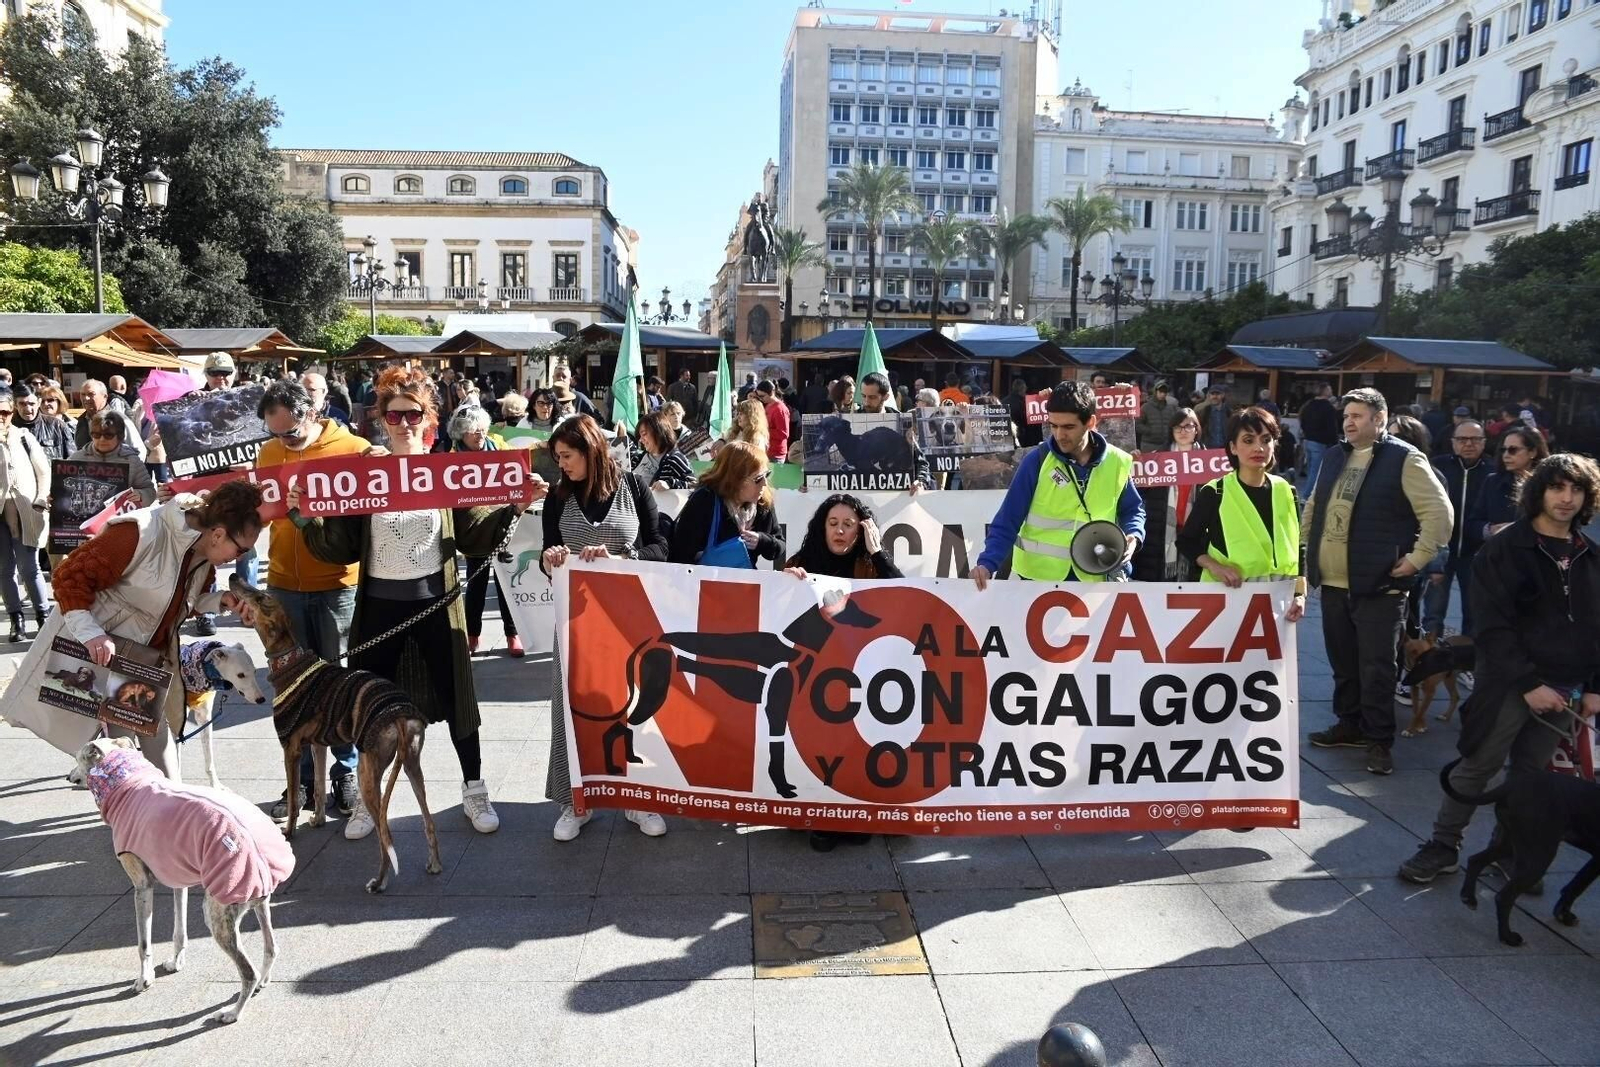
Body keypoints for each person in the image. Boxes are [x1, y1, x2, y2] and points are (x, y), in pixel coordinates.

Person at [288, 368, 535, 835]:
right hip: (379, 607)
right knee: (368, 705)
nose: (404, 423)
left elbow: (472, 534)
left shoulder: (442, 471)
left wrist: (515, 507)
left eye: (413, 414)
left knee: (458, 696)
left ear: (429, 419)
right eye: (395, 414)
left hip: (436, 605)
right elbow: (340, 546)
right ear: (381, 418)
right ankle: (367, 798)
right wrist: (305, 518)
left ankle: (475, 790)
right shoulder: (365, 473)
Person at [1399, 453, 1600, 885]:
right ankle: (1443, 844)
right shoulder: (1506, 549)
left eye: (1576, 489)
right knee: (1478, 764)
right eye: (1557, 487)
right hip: (1508, 682)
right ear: (1538, 492)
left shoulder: (1590, 554)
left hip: (1564, 687)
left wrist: (1595, 687)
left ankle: (1508, 851)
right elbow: (1491, 625)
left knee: (1530, 776)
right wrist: (1528, 684)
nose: (1566, 498)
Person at [2, 479, 263, 776]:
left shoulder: (203, 556)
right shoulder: (139, 532)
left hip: (140, 663)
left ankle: (158, 813)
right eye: (241, 550)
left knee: (157, 767)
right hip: (103, 658)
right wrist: (91, 634)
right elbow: (68, 578)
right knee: (118, 763)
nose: (241, 558)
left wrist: (220, 600)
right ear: (218, 534)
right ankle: (135, 817)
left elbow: (176, 604)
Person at [250, 379, 379, 827]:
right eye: (275, 433)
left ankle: (344, 771)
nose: (283, 440)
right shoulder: (267, 455)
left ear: (311, 411)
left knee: (336, 681)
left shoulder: (354, 447)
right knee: (293, 687)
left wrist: (385, 466)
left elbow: (389, 490)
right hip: (284, 583)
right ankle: (302, 778)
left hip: (338, 583)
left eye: (289, 430)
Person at [1303, 388, 1453, 776]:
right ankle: (1349, 724)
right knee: (1344, 663)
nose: (1349, 422)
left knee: (1377, 668)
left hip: (1379, 586)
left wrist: (1417, 559)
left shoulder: (1404, 458)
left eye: (1357, 415)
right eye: (1346, 416)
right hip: (1334, 583)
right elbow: (1316, 506)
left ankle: (1379, 740)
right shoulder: (1336, 455)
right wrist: (1305, 555)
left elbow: (1439, 514)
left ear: (1380, 419)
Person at [539, 414, 668, 841]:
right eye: (557, 458)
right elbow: (545, 554)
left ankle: (639, 797)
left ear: (591, 450)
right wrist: (551, 559)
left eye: (568, 456)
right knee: (571, 706)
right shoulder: (559, 497)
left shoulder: (634, 487)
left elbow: (662, 547)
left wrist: (622, 560)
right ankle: (574, 800)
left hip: (631, 618)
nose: (563, 465)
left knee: (637, 706)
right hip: (576, 618)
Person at [973, 381, 1145, 589]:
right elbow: (1008, 519)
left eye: (1068, 427)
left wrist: (1133, 535)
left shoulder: (1118, 462)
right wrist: (987, 563)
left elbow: (1133, 510)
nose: (1059, 435)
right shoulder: (1036, 460)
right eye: (1054, 425)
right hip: (1038, 580)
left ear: (1091, 422)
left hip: (1096, 580)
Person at [1178, 407, 1305, 621]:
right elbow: (1186, 542)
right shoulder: (1215, 491)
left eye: (1266, 440)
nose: (1259, 447)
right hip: (1225, 603)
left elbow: (1299, 547)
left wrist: (1300, 594)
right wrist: (1215, 567)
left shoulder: (1286, 490)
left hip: (1278, 607)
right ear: (1233, 448)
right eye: (1248, 440)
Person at [449, 405, 522, 658]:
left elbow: (520, 473)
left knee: (505, 583)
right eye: (472, 431)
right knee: (476, 583)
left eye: (482, 428)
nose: (479, 434)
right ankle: (472, 635)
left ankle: (513, 634)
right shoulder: (450, 458)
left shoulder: (500, 448)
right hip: (475, 531)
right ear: (460, 434)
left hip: (501, 522)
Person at [669, 440, 785, 570]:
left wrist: (762, 540)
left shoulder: (762, 501)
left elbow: (778, 546)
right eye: (758, 479)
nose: (764, 484)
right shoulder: (705, 499)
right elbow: (681, 553)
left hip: (744, 583)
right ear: (735, 479)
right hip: (704, 582)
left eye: (766, 475)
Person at [1424, 420, 1489, 638]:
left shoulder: (1493, 473)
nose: (1468, 444)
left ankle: (1469, 660)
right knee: (1433, 612)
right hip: (1441, 552)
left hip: (1476, 554)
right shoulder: (1437, 467)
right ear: (1452, 442)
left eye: (1475, 439)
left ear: (1484, 443)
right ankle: (1431, 660)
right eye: (1462, 439)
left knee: (1475, 611)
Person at [0, 389, 51, 642]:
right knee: (4, 569)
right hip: (0, 514)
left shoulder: (23, 437)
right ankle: (16, 620)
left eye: (6, 412)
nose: (2, 417)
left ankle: (43, 616)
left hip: (26, 511)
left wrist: (41, 499)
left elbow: (43, 471)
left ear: (12, 412)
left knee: (29, 567)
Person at [1132, 407, 1202, 582]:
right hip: (1160, 534)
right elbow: (1138, 493)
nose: (1182, 431)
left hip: (1194, 533)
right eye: (1177, 427)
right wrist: (1135, 467)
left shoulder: (1209, 462)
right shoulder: (1157, 459)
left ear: (1197, 429)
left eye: (1188, 426)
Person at [1466, 426, 1549, 554]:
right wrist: (1490, 530)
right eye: (1503, 450)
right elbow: (1472, 523)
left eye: (1513, 450)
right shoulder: (1492, 482)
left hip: (1537, 559)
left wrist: (1517, 530)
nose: (1506, 455)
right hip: (1498, 557)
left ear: (1532, 452)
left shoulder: (1550, 485)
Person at [784, 492, 902, 581]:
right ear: (823, 528)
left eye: (848, 524)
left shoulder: (870, 567)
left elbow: (905, 596)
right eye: (833, 523)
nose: (839, 531)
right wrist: (788, 582)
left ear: (860, 531)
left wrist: (877, 553)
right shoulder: (799, 562)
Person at [861, 372, 933, 491]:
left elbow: (921, 462)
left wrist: (921, 481)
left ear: (885, 397)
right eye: (863, 396)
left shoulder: (904, 423)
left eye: (872, 397)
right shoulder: (852, 419)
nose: (866, 402)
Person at [68, 411, 156, 505]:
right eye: (96, 435)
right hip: (85, 518)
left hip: (119, 518)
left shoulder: (132, 461)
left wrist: (140, 495)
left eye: (108, 435)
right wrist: (54, 498)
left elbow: (150, 491)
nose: (102, 439)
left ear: (119, 436)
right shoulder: (76, 459)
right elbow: (63, 490)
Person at [634, 410, 693, 490]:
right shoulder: (640, 457)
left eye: (644, 434)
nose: (641, 440)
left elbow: (694, 485)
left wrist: (669, 484)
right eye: (639, 436)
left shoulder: (675, 459)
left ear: (658, 432)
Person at [1297, 382, 1339, 495]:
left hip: (1308, 440)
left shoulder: (1308, 405)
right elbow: (1331, 427)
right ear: (1324, 391)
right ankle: (1306, 496)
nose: (1331, 391)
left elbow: (1302, 420)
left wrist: (1306, 433)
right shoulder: (1328, 407)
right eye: (1329, 389)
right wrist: (1334, 442)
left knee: (1310, 469)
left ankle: (1307, 493)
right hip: (1320, 441)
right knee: (1316, 472)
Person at [13, 385, 72, 462]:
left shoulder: (58, 426)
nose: (28, 409)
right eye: (22, 404)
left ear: (39, 403)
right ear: (15, 405)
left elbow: (71, 462)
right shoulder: (7, 427)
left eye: (32, 404)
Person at [1137, 380, 1179, 453]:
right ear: (1155, 392)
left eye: (1164, 392)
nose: (1162, 394)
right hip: (1149, 444)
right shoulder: (1145, 407)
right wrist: (1149, 431)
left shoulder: (1171, 408)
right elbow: (1137, 424)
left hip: (1166, 444)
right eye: (1160, 392)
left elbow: (1175, 423)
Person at [754, 379, 790, 462]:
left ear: (772, 393)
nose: (760, 398)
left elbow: (783, 434)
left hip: (776, 454)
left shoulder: (780, 409)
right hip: (767, 451)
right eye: (758, 396)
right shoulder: (769, 405)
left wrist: (762, 430)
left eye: (762, 396)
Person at [73, 379, 112, 450]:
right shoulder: (82, 420)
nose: (86, 398)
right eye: (83, 394)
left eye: (91, 394)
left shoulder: (117, 420)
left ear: (105, 397)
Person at [1006, 379, 1043, 449]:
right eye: (1025, 388)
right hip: (1021, 437)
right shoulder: (1024, 403)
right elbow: (1027, 421)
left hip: (1007, 435)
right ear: (1022, 389)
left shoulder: (1004, 401)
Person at [1195, 385, 1231, 449]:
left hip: (1225, 448)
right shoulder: (1204, 412)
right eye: (1212, 394)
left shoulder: (1229, 412)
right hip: (1208, 448)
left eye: (1217, 394)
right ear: (1209, 395)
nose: (1214, 396)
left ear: (1223, 395)